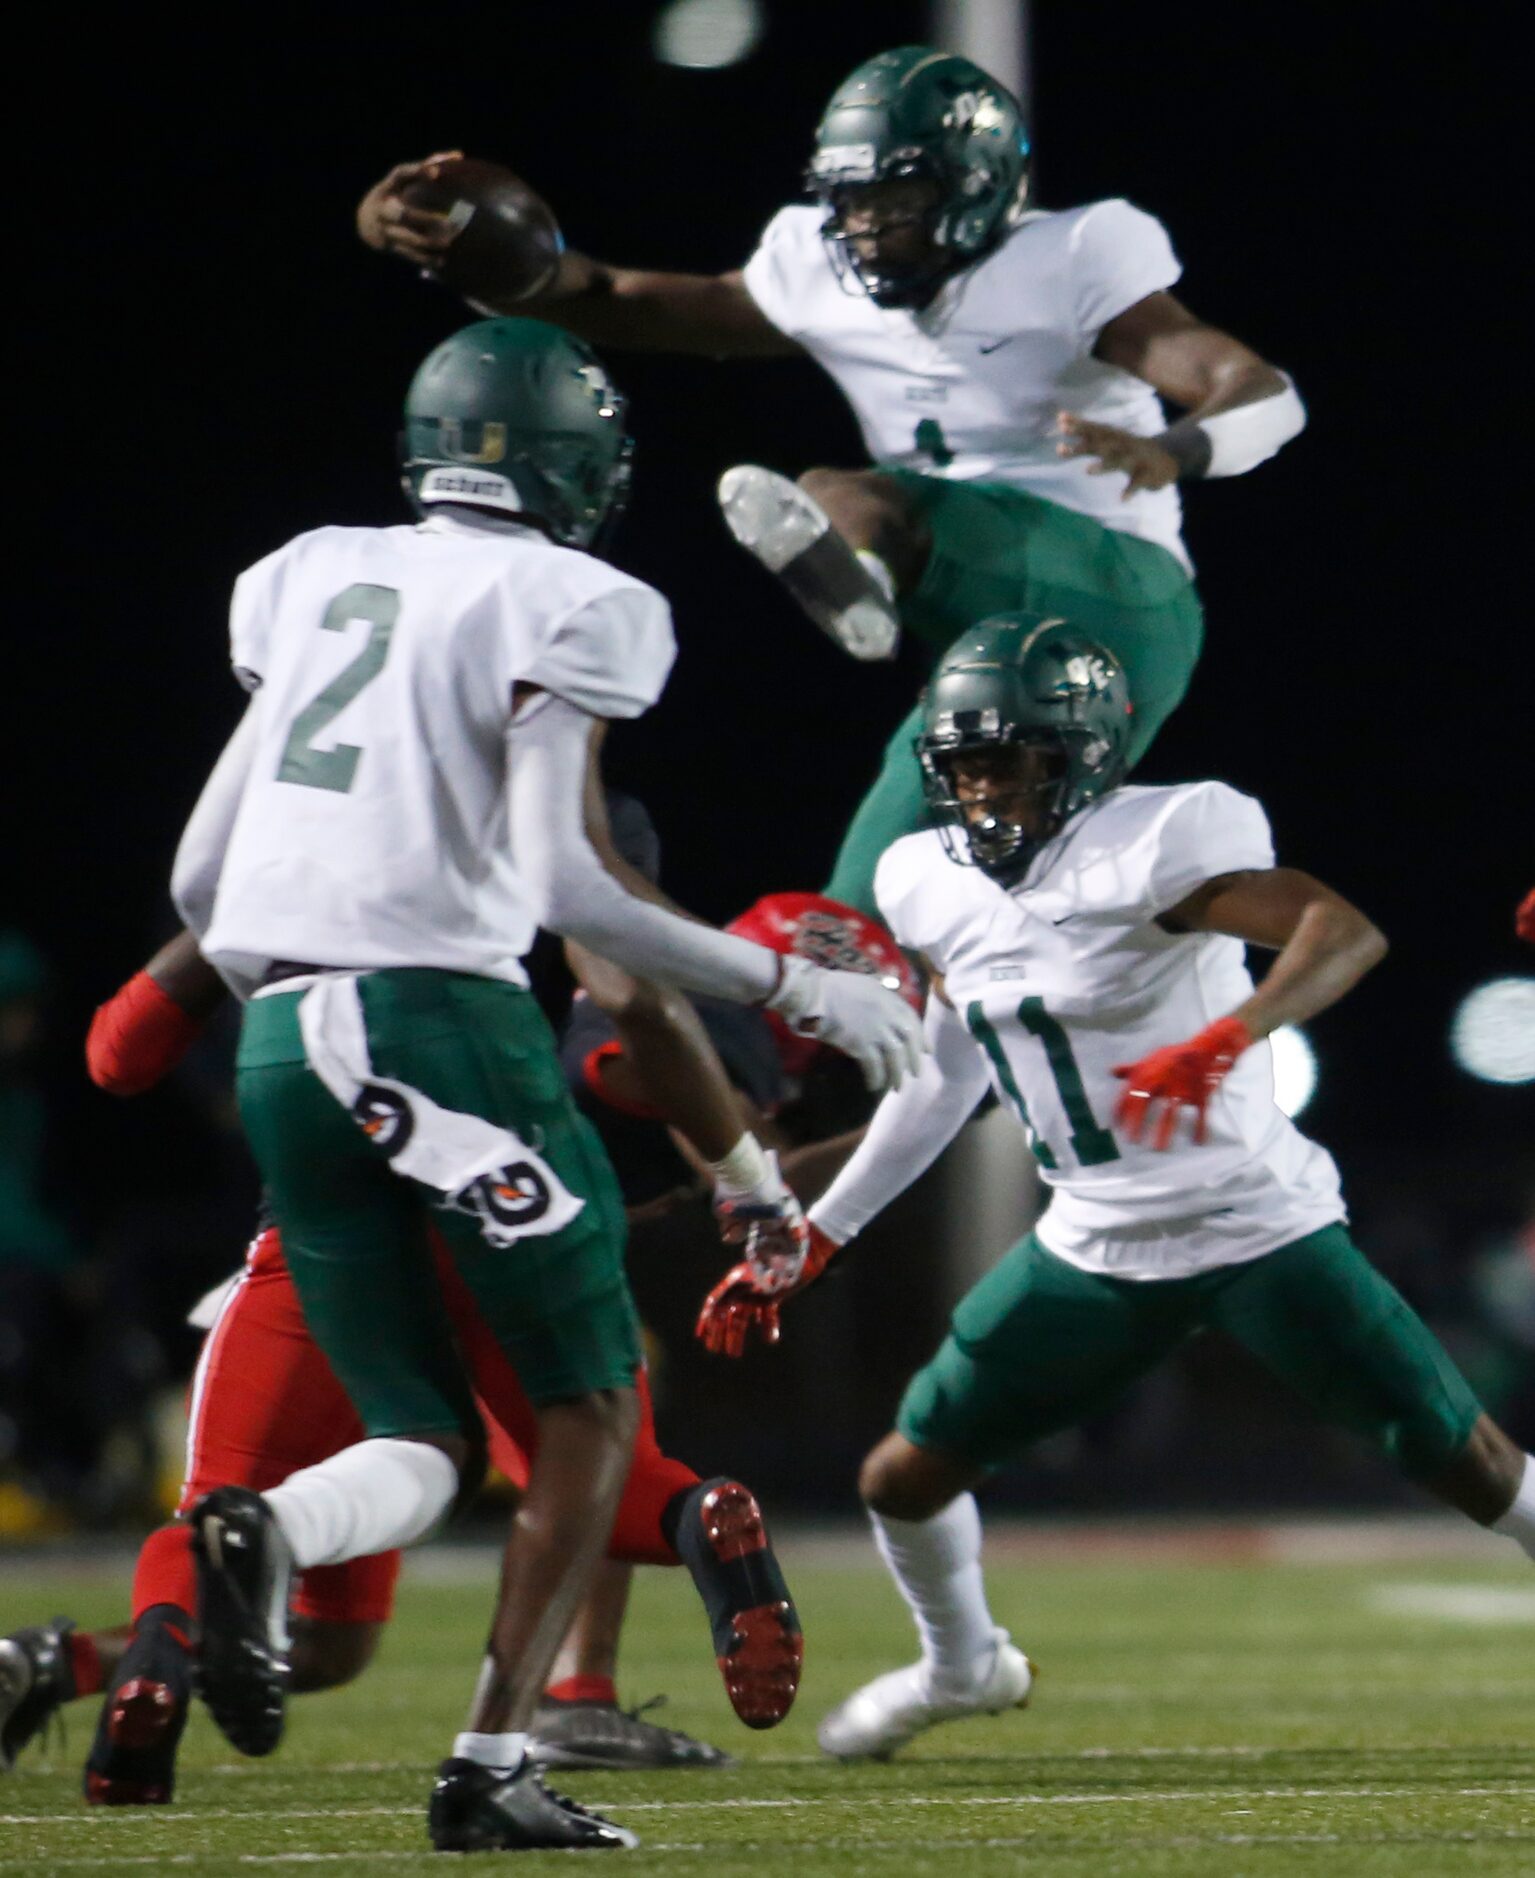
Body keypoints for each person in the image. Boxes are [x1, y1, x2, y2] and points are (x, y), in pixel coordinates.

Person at [161, 316, 920, 1851]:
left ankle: (265, 1529)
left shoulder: (305, 568)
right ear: (575, 463)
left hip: (275, 1033)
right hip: (440, 1018)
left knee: (420, 1434)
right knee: (586, 1410)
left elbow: (198, 872)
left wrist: (306, 1016)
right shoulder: (574, 595)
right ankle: (494, 1760)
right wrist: (794, 981)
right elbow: (567, 882)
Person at [696, 615, 1535, 1761]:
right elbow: (944, 1074)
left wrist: (1231, 1034)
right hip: (1092, 1243)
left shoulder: (1160, 840)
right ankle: (962, 1666)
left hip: (1253, 1225)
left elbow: (1340, 932)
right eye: (964, 764)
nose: (981, 790)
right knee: (901, 1476)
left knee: (1472, 1466)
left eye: (1008, 760)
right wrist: (823, 1233)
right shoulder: (922, 877)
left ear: (1079, 751)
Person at [357, 46, 1305, 916]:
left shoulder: (1067, 255)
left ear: (970, 187)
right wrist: (441, 245)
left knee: (850, 496)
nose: (860, 227)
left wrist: (1171, 451)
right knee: (856, 924)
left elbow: (1257, 390)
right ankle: (802, 1084)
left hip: (1114, 598)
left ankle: (859, 577)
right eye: (847, 201)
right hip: (987, 651)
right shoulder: (817, 264)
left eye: (889, 203)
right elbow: (607, 298)